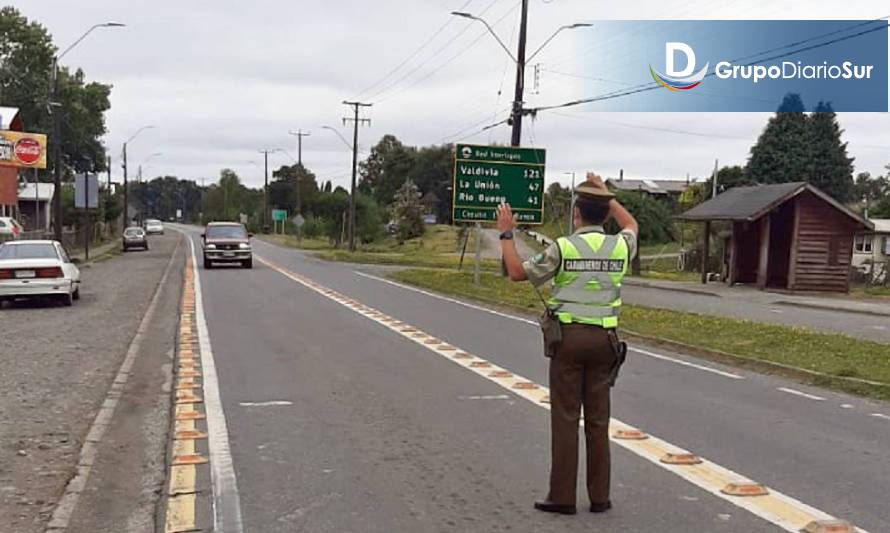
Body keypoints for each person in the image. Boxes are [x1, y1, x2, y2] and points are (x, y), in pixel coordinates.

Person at [496, 172, 638, 516]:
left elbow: (516, 272)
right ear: (604, 214)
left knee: (565, 417)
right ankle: (600, 497)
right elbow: (631, 223)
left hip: (569, 340)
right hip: (606, 340)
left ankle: (562, 496)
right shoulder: (620, 245)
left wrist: (505, 232)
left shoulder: (564, 247)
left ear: (576, 213)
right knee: (599, 420)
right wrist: (606, 194)